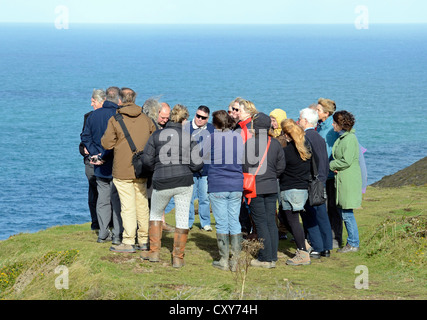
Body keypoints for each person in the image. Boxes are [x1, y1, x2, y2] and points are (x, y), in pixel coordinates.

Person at [141, 104, 203, 268]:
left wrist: (156, 168)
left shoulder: (156, 135)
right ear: (184, 120)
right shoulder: (188, 137)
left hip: (161, 180)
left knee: (155, 214)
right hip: (184, 181)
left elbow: (146, 160)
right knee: (182, 219)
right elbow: (198, 164)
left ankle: (154, 252)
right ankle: (178, 257)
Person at [101, 88, 156, 253]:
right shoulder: (146, 119)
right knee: (142, 204)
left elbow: (107, 144)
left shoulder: (115, 119)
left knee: (128, 206)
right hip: (142, 169)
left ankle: (129, 240)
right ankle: (144, 239)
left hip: (123, 169)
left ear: (120, 100)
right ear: (135, 98)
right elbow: (154, 139)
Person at [80, 86, 122, 244]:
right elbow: (118, 141)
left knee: (102, 200)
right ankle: (118, 234)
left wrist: (95, 154)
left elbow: (85, 136)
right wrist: (104, 155)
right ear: (118, 100)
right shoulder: (118, 116)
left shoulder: (93, 116)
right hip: (116, 164)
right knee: (117, 200)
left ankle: (103, 232)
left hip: (99, 165)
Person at [244, 113, 286, 268]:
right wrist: (271, 175)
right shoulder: (275, 144)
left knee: (261, 222)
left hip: (255, 187)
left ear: (255, 127)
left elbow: (244, 166)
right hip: (271, 186)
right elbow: (281, 167)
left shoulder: (249, 144)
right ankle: (272, 256)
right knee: (271, 222)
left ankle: (265, 258)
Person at [207, 110, 244, 271]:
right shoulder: (238, 137)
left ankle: (223, 259)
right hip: (236, 184)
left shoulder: (213, 137)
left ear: (215, 123)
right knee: (234, 221)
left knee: (222, 223)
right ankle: (235, 261)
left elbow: (201, 155)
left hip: (218, 184)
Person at [298, 107, 333, 259]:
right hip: (321, 180)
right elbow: (324, 160)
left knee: (310, 215)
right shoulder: (319, 137)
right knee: (321, 214)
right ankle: (326, 246)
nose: (298, 121)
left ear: (305, 121)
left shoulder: (306, 138)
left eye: (299, 119)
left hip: (311, 181)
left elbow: (306, 162)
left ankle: (317, 247)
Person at [279, 119, 312, 266]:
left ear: (287, 135)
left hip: (290, 189)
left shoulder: (287, 152)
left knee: (291, 221)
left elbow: (279, 169)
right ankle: (303, 244)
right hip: (302, 189)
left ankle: (302, 252)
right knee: (287, 219)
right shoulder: (305, 149)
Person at [329, 111, 362, 253]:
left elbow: (346, 160)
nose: (333, 125)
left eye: (335, 123)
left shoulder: (349, 139)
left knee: (347, 213)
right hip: (344, 178)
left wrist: (330, 165)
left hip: (348, 180)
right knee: (345, 212)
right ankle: (352, 242)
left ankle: (353, 243)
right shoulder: (344, 138)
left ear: (340, 124)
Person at [142, 98, 175, 232]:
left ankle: (161, 222)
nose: (165, 120)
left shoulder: (168, 126)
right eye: (163, 117)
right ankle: (154, 225)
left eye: (167, 117)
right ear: (157, 113)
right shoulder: (150, 125)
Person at [316, 98, 342, 248]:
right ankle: (326, 236)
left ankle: (335, 238)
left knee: (332, 207)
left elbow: (327, 151)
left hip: (330, 173)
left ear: (326, 113)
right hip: (323, 172)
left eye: (318, 110)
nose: (316, 112)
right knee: (324, 206)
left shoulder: (330, 129)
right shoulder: (320, 126)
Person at [184, 105, 215, 231]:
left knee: (205, 197)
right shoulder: (186, 128)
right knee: (189, 198)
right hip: (190, 170)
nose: (199, 119)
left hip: (206, 170)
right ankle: (189, 222)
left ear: (207, 118)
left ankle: (205, 223)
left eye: (203, 117)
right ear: (195, 114)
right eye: (198, 116)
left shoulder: (212, 129)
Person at [79, 89, 105, 231]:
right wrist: (84, 151)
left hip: (103, 159)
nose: (91, 104)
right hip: (90, 161)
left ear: (100, 101)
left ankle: (106, 223)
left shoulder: (111, 117)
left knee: (105, 192)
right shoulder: (87, 117)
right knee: (93, 193)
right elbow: (83, 138)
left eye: (93, 101)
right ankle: (95, 223)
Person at [234, 99, 258, 237]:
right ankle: (247, 228)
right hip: (242, 168)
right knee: (245, 202)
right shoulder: (242, 126)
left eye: (239, 110)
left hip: (247, 170)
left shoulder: (249, 127)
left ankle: (253, 231)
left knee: (249, 202)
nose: (237, 113)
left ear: (248, 112)